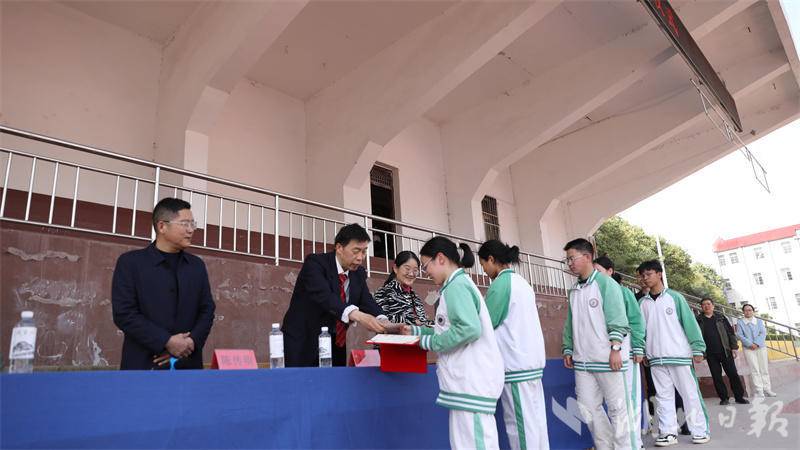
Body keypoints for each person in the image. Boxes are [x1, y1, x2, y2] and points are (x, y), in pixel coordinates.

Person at [404, 237, 504, 449]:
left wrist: (426, 342)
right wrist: (414, 331)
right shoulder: (455, 285)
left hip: (472, 381)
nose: (426, 272)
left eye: (425, 266)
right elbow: (447, 328)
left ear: (440, 258)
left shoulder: (456, 286)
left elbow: (469, 329)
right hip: (467, 384)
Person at [112, 197, 216, 370]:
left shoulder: (196, 266)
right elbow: (124, 313)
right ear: (162, 226)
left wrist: (190, 343)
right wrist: (166, 341)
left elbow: (207, 309)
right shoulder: (131, 263)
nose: (191, 230)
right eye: (185, 224)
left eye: (193, 224)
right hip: (144, 365)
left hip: (187, 364)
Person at [561, 239, 634, 450]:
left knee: (618, 409)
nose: (569, 264)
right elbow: (570, 323)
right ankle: (606, 446)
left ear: (587, 257)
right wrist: (568, 347)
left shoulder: (606, 284)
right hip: (583, 361)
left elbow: (618, 319)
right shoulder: (574, 290)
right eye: (567, 260)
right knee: (587, 408)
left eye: (572, 258)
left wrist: (616, 348)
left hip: (608, 358)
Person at [282, 223, 387, 367]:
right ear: (339, 248)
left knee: (334, 380)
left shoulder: (358, 273)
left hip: (335, 343)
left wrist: (383, 320)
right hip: (303, 342)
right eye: (356, 251)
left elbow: (367, 301)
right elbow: (326, 297)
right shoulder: (315, 263)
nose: (360, 258)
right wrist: (359, 316)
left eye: (364, 252)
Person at [478, 240, 549, 450]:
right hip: (531, 363)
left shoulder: (501, 284)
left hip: (516, 365)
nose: (483, 270)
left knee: (520, 427)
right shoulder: (522, 282)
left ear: (491, 259)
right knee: (536, 423)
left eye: (483, 264)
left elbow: (486, 324)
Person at [638, 260, 710, 446]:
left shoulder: (675, 298)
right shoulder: (643, 303)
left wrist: (697, 347)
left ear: (659, 274)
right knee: (663, 397)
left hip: (679, 356)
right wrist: (644, 351)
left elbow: (689, 323)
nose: (645, 278)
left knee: (690, 394)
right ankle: (668, 432)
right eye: (643, 275)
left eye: (649, 274)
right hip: (655, 358)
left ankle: (700, 430)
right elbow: (641, 331)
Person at [593, 255, 645, 450]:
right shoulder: (591, 292)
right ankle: (620, 442)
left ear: (610, 271)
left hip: (625, 350)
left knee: (630, 397)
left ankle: (635, 442)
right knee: (614, 402)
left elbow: (636, 321)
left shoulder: (623, 292)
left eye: (598, 271)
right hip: (604, 353)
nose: (594, 275)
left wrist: (638, 347)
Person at [696, 298, 748, 405]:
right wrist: (699, 352)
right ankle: (724, 398)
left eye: (708, 304)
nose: (706, 306)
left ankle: (739, 397)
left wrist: (734, 347)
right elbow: (696, 336)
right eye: (704, 304)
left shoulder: (721, 317)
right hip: (710, 354)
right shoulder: (698, 320)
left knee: (733, 374)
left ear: (713, 306)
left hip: (725, 351)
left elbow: (730, 332)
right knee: (717, 377)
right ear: (701, 307)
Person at [373, 251, 433, 326]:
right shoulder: (383, 293)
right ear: (395, 268)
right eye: (407, 269)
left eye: (415, 270)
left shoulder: (415, 297)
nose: (411, 274)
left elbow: (422, 321)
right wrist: (413, 322)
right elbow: (382, 321)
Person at [736, 303, 776, 397]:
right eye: (745, 310)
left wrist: (757, 343)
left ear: (753, 311)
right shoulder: (740, 322)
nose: (748, 312)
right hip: (748, 349)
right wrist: (750, 344)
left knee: (764, 369)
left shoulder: (759, 321)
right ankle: (759, 390)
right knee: (754, 369)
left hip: (761, 347)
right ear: (743, 312)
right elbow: (739, 335)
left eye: (750, 310)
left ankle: (767, 389)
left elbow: (763, 333)